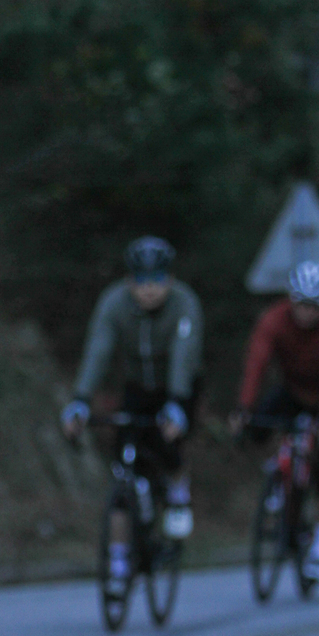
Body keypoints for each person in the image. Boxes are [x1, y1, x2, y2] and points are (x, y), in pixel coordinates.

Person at [60, 237, 204, 593]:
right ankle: (120, 559)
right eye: (141, 281)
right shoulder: (114, 302)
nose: (149, 289)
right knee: (124, 472)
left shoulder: (184, 303)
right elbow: (99, 348)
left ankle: (178, 491)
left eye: (157, 280)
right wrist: (81, 398)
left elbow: (184, 352)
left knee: (170, 444)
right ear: (130, 281)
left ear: (170, 280)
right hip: (138, 387)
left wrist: (177, 402)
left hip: (179, 385)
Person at [231, 260, 319, 583]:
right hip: (292, 391)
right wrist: (244, 408)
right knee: (256, 426)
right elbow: (256, 363)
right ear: (291, 299)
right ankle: (279, 471)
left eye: (315, 307)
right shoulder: (274, 320)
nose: (307, 313)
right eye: (301, 304)